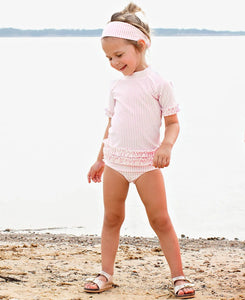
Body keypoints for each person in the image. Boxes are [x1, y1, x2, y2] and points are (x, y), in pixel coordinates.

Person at [84, 3, 195, 298]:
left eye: (119, 55)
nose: (114, 62)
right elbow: (111, 126)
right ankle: (106, 273)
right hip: (115, 162)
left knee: (160, 219)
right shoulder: (116, 87)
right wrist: (99, 160)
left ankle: (179, 277)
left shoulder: (159, 83)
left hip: (147, 163)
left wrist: (166, 146)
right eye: (109, 57)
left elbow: (172, 123)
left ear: (140, 45)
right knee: (111, 218)